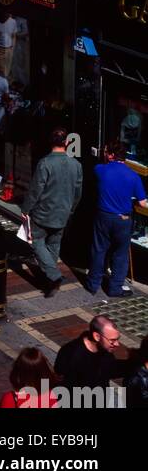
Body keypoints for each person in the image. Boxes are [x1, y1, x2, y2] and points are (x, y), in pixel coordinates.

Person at [21, 127, 83, 298]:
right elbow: (77, 193)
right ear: (67, 142)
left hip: (43, 213)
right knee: (54, 245)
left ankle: (54, 276)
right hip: (63, 214)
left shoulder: (45, 163)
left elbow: (35, 190)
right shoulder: (76, 165)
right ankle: (50, 279)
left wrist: (25, 209)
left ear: (50, 142)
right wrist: (70, 210)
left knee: (36, 243)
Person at [86, 141, 148, 298]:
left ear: (111, 155)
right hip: (123, 218)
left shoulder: (100, 170)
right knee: (120, 254)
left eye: (105, 152)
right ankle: (115, 288)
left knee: (99, 250)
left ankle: (93, 284)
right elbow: (142, 203)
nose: (103, 154)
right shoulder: (133, 176)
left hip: (103, 216)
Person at [54, 315, 125, 396]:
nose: (117, 344)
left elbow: (110, 369)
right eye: (112, 340)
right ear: (97, 336)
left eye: (117, 339)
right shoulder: (71, 354)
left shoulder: (105, 348)